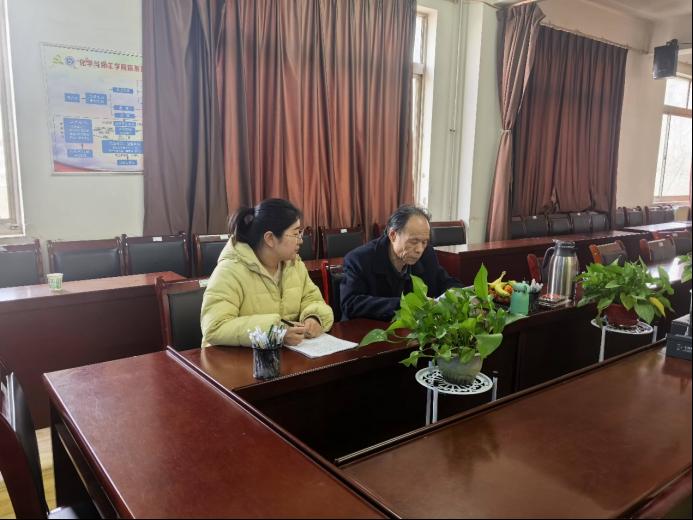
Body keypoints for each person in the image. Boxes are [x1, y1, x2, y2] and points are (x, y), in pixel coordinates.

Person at [201, 198, 334, 347]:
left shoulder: (294, 265)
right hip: (235, 358)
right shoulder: (230, 271)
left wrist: (314, 317)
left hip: (285, 355)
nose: (300, 240)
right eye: (295, 233)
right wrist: (275, 333)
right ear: (270, 239)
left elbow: (312, 299)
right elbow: (215, 327)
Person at [340, 205, 462, 321]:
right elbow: (350, 303)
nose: (419, 249)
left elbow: (445, 281)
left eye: (424, 242)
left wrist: (458, 294)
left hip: (411, 329)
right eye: (414, 241)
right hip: (369, 329)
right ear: (393, 235)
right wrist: (405, 304)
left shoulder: (427, 254)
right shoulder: (359, 259)